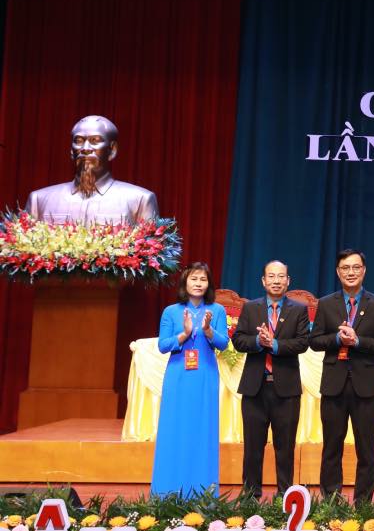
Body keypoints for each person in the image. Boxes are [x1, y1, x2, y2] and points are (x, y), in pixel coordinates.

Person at [310, 249, 374, 503]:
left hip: (366, 387)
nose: (351, 272)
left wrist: (358, 341)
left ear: (364, 271)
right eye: (345, 268)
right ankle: (331, 503)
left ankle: (363, 505)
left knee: (366, 449)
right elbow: (315, 341)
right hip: (334, 385)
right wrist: (337, 339)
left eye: (356, 267)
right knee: (331, 448)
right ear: (338, 272)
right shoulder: (326, 303)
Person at [233, 260, 311, 499]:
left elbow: (302, 343)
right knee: (252, 448)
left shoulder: (299, 309)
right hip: (254, 389)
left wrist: (274, 344)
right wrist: (258, 342)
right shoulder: (251, 308)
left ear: (288, 281)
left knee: (285, 448)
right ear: (263, 280)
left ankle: (284, 499)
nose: (276, 281)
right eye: (271, 276)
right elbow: (238, 340)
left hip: (286, 390)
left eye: (281, 276)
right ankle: (250, 497)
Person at [150, 262, 229, 496]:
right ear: (185, 282)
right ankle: (167, 492)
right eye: (194, 279)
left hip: (205, 375)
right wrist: (184, 334)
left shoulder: (216, 311)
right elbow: (163, 345)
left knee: (203, 432)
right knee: (174, 430)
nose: (198, 283)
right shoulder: (171, 311)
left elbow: (224, 344)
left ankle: (202, 494)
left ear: (209, 284)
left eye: (203, 279)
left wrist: (208, 330)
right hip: (178, 376)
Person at [26, 115, 158, 224]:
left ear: (112, 150)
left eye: (95, 140)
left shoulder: (140, 200)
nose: (86, 148)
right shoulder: (39, 200)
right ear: (71, 151)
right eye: (79, 141)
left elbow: (151, 246)